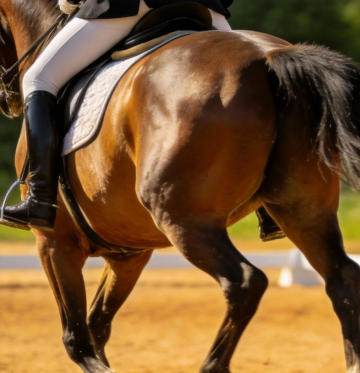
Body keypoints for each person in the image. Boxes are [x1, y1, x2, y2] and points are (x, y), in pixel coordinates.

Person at [2, 0, 233, 232]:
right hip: (206, 8)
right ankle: (265, 204)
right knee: (246, 70)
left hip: (128, 6)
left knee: (38, 79)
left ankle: (40, 199)